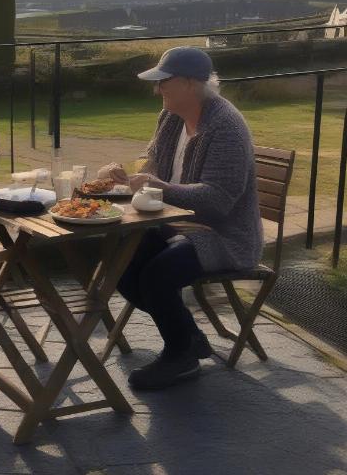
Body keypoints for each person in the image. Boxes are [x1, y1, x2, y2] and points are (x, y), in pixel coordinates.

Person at [98, 46, 263, 391]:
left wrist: (159, 186)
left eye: (163, 83)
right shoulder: (171, 117)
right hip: (175, 223)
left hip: (223, 235)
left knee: (158, 274)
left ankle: (180, 356)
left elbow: (218, 201)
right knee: (121, 263)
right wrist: (126, 176)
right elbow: (154, 165)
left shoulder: (226, 127)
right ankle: (189, 336)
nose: (157, 90)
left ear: (190, 83)